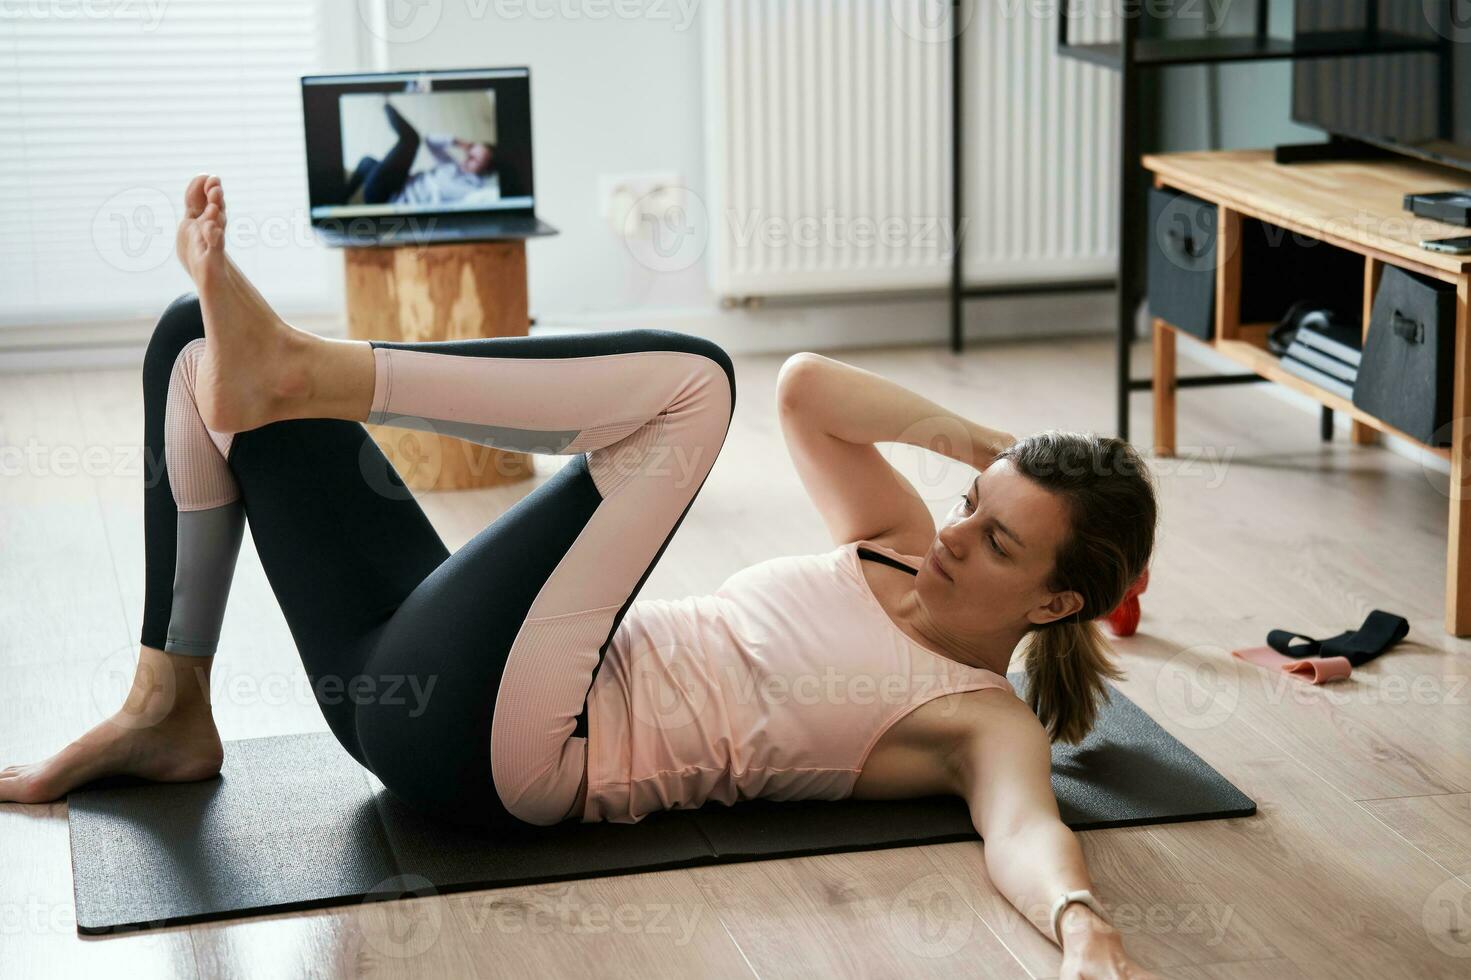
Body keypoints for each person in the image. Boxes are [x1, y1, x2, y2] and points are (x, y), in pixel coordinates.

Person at [0, 175, 1160, 978]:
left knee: (693, 387)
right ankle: (168, 710)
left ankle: (306, 368)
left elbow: (1022, 830)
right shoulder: (900, 536)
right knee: (188, 343)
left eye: (999, 543)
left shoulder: (977, 717)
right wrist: (991, 456)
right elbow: (807, 384)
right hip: (430, 678)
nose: (958, 536)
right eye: (974, 509)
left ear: (1055, 602)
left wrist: (1080, 927)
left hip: (514, 753)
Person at [344, 100, 497, 206]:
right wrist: (463, 143)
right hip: (398, 182)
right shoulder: (451, 165)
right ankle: (341, 199)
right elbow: (430, 141)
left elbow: (489, 197)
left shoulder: (473, 191)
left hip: (390, 197)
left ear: (485, 170)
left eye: (474, 159)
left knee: (411, 139)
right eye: (470, 152)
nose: (467, 157)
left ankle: (384, 103)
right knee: (367, 162)